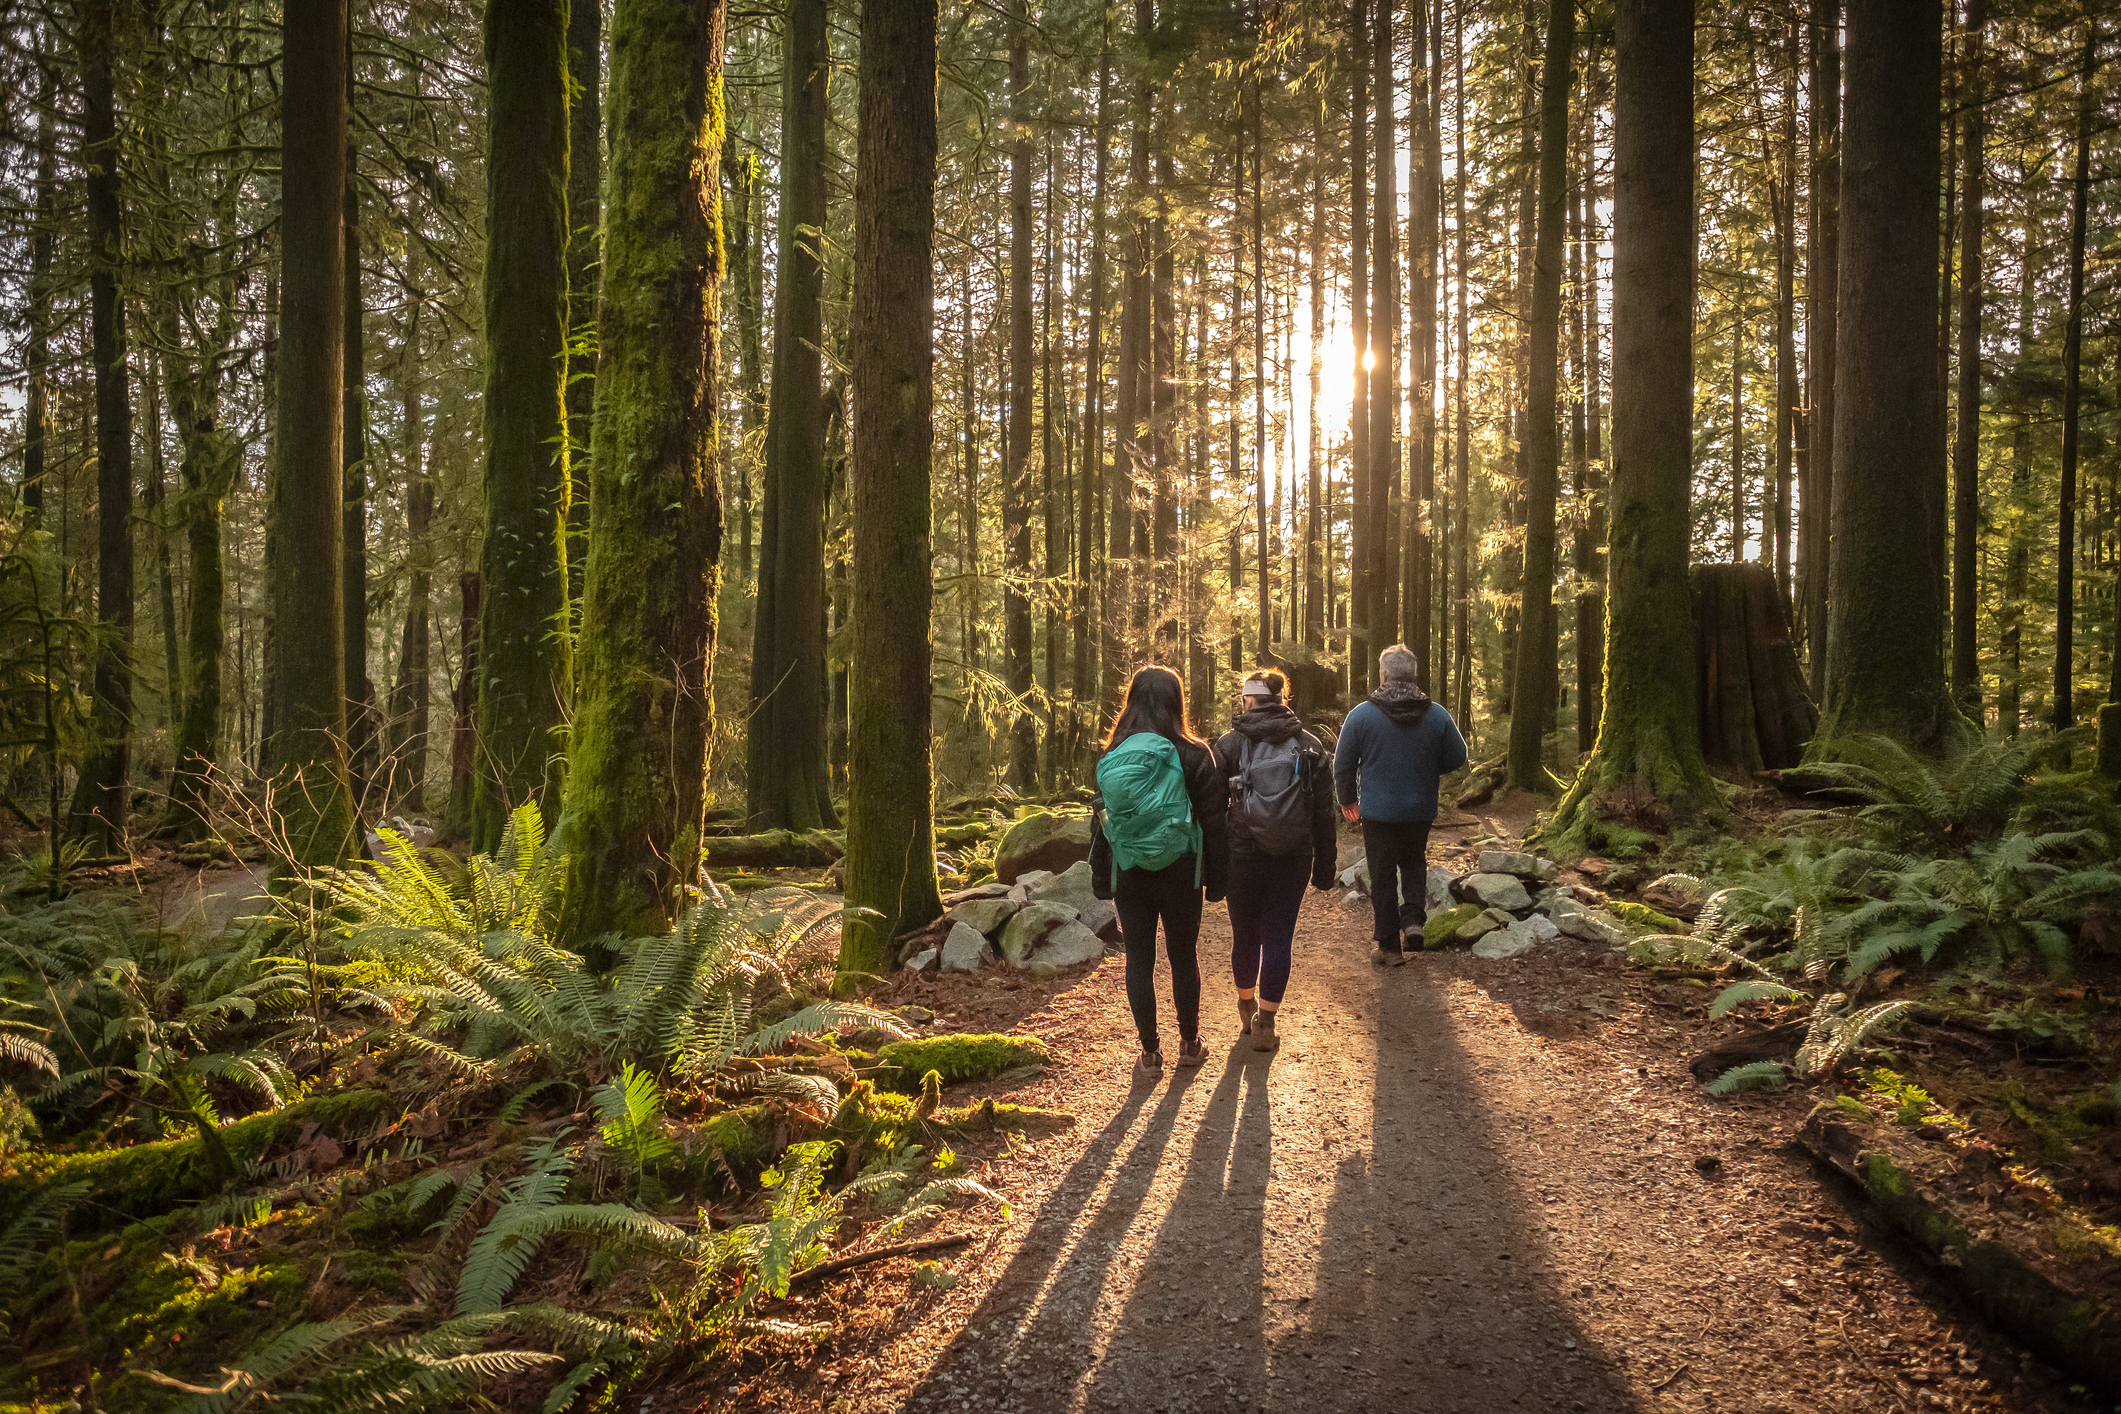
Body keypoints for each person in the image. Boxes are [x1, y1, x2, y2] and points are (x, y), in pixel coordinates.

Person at [1090, 665, 1229, 1078]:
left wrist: (1101, 877)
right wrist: (1217, 879)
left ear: (1130, 701)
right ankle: (1189, 1043)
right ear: (1177, 702)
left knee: (1139, 959)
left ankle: (1149, 1054)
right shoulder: (1195, 753)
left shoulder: (1114, 755)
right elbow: (1214, 822)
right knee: (1184, 954)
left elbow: (1100, 822)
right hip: (1181, 871)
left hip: (1129, 870)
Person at [1212, 669, 1338, 1052]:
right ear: (1283, 699)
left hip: (1241, 854)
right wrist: (1325, 865)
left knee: (1244, 934)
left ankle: (1246, 1003)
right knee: (1279, 936)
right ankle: (1266, 1022)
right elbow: (1323, 813)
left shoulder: (1230, 745)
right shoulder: (1310, 744)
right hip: (1294, 855)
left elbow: (1213, 809)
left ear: (1248, 700)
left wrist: (1212, 866)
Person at [1332, 644, 1468, 965]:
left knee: (1381, 874)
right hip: (1420, 808)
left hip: (1378, 812)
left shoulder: (1362, 714)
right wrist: (1430, 768)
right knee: (1413, 862)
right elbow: (1458, 755)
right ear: (1413, 675)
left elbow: (1343, 763)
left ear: (1383, 673)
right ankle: (1413, 922)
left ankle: (1390, 947)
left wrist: (1347, 798)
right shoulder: (1435, 714)